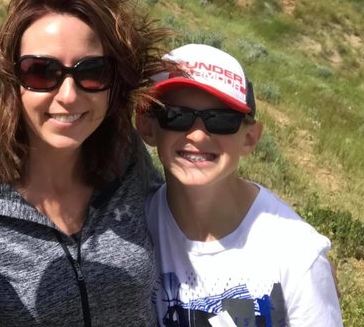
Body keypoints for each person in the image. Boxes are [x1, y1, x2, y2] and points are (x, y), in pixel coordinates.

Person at [0, 0, 170, 326]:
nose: (69, 96)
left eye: (92, 72)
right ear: (12, 81)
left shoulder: (127, 158)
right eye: (42, 72)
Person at [137, 43, 343, 326]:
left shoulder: (296, 253)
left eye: (221, 120)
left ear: (250, 138)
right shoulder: (133, 229)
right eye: (177, 116)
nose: (197, 136)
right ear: (147, 126)